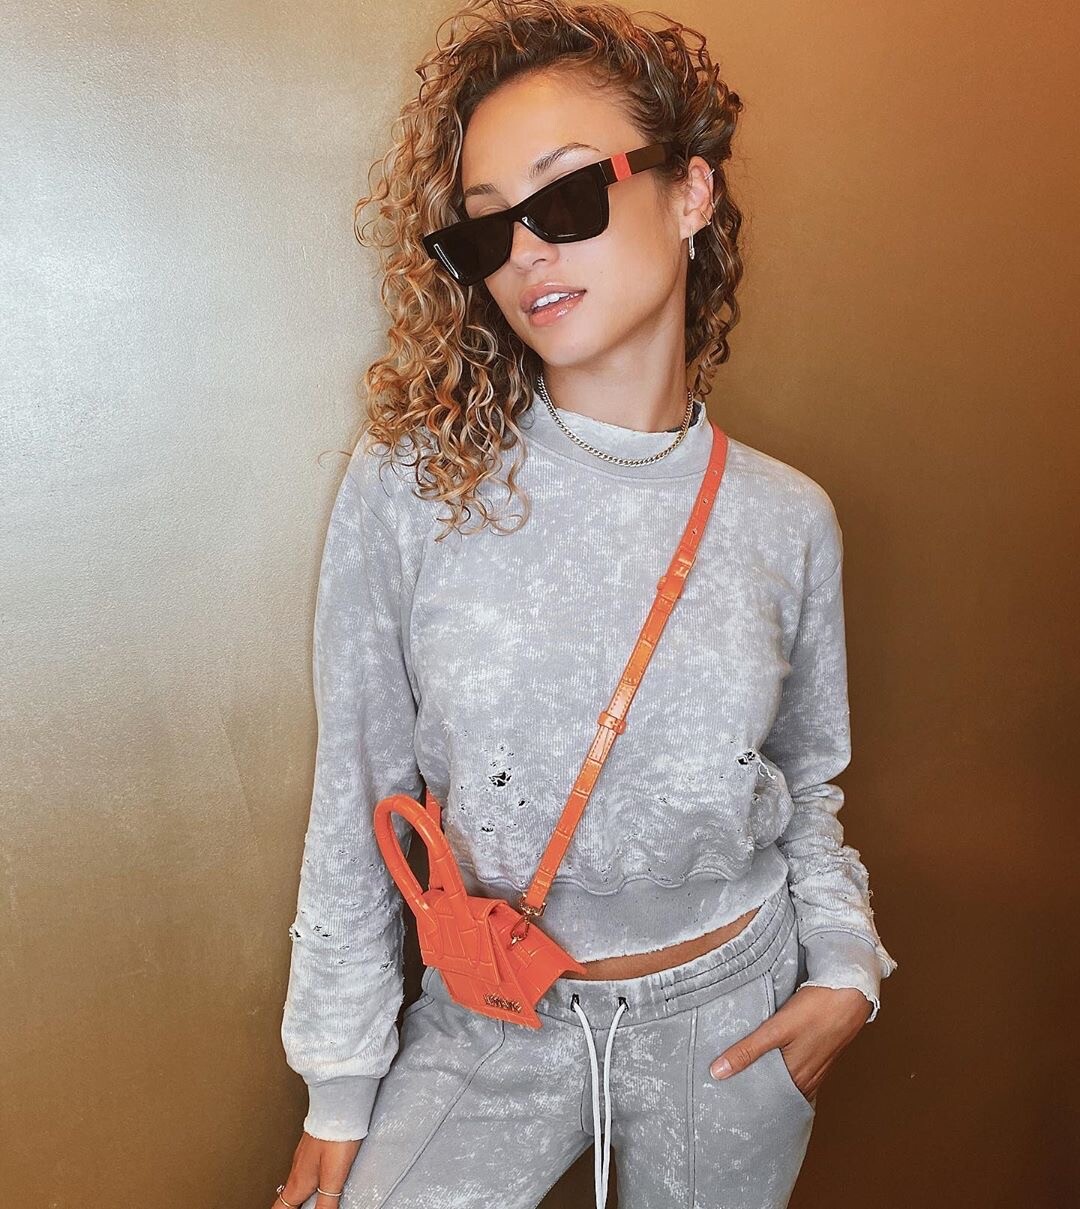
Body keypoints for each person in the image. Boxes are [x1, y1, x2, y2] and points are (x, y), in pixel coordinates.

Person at [272, 2, 898, 1206]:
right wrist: (339, 1083)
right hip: (496, 1015)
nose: (526, 253)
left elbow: (806, 782)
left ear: (690, 193)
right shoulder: (417, 484)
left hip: (733, 1020)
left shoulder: (787, 517)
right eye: (488, 226)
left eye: (564, 199)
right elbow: (360, 789)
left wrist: (846, 972)